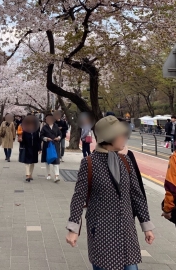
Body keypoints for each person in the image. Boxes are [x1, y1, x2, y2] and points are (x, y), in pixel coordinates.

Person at [66, 115, 155, 270]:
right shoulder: (90, 163)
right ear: (109, 137)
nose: (125, 138)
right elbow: (79, 197)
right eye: (121, 135)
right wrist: (73, 229)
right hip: (102, 231)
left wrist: (146, 226)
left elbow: (137, 196)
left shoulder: (125, 161)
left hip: (126, 231)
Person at [18, 114, 42, 182]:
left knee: (32, 162)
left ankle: (31, 174)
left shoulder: (36, 131)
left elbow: (38, 140)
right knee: (27, 162)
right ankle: (27, 175)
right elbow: (21, 141)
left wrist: (40, 149)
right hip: (26, 148)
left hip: (34, 148)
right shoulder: (24, 131)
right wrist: (21, 141)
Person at [40, 113, 61, 182]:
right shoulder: (44, 127)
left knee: (56, 161)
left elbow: (60, 134)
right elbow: (41, 136)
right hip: (47, 145)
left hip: (55, 145)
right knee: (47, 161)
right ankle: (49, 174)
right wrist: (46, 138)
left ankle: (56, 176)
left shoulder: (56, 126)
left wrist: (58, 138)